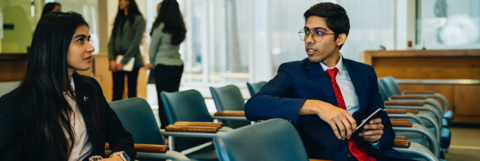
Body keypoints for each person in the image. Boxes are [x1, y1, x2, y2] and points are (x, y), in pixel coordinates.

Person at [245, 3, 411, 161]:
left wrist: (376, 138)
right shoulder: (293, 72)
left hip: (372, 155)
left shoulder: (364, 73)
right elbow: (253, 106)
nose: (309, 39)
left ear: (340, 39)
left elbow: (386, 128)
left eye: (318, 33)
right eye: (306, 32)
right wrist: (317, 106)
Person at [0, 12, 135, 161]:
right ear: (55, 44)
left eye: (88, 39)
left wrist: (118, 158)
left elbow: (122, 137)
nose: (91, 48)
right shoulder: (15, 106)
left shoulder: (90, 89)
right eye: (80, 40)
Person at [145, 0, 186, 129]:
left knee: (162, 101)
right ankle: (174, 127)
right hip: (177, 66)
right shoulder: (178, 27)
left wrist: (153, 62)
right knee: (173, 99)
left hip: (163, 67)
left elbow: (152, 51)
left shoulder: (161, 27)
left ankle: (165, 130)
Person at [108, 0, 146, 101]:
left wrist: (123, 61)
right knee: (116, 92)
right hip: (116, 59)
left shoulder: (139, 19)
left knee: (132, 91)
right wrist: (111, 59)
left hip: (132, 59)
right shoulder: (118, 19)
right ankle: (115, 116)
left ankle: (131, 116)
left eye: (122, 0)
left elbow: (135, 43)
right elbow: (111, 41)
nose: (120, 2)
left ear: (129, 1)